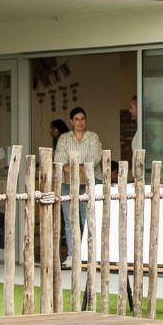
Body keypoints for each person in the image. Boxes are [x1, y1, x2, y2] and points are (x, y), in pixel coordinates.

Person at [52, 106, 105, 261]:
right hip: (67, 183)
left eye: (82, 119)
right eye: (76, 119)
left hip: (90, 182)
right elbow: (60, 158)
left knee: (87, 218)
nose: (80, 122)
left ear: (85, 120)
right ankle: (72, 255)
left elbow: (95, 157)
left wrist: (78, 166)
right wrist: (73, 167)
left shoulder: (93, 137)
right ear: (71, 121)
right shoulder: (64, 139)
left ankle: (90, 255)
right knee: (70, 219)